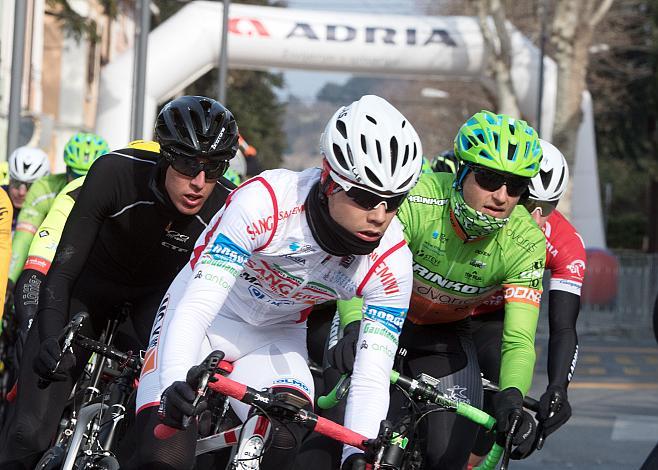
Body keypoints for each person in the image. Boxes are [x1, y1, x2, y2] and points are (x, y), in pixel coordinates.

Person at [127, 94, 423, 470]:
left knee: (283, 436)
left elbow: (371, 375)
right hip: (205, 318)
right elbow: (198, 305)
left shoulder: (392, 261)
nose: (380, 215)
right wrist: (174, 381)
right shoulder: (266, 203)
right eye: (365, 197)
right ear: (330, 180)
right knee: (165, 458)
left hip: (274, 337)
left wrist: (358, 455)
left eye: (394, 200)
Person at [0, 96, 238, 469]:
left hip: (153, 306)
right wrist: (48, 339)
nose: (199, 182)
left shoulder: (227, 205)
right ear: (164, 156)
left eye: (214, 169)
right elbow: (62, 270)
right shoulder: (115, 173)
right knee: (26, 435)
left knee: (152, 448)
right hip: (88, 294)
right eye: (187, 163)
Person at [325, 110, 546, 469]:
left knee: (450, 455)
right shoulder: (418, 200)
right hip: (373, 317)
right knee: (331, 440)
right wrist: (352, 326)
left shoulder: (525, 241)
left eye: (516, 186)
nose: (502, 196)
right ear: (460, 170)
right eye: (489, 178)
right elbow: (357, 271)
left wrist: (511, 396)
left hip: (444, 334)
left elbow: (519, 339)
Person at [470, 139, 586, 462]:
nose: (536, 217)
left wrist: (558, 387)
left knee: (497, 415)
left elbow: (564, 327)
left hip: (493, 322)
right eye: (528, 203)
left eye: (546, 208)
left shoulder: (566, 243)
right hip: (448, 310)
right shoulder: (484, 217)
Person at [8, 133, 109, 286]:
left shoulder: (111, 191)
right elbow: (23, 239)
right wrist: (9, 281)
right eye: (75, 175)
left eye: (89, 176)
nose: (81, 183)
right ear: (67, 169)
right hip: (48, 257)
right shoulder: (44, 187)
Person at [4, 146, 50, 231]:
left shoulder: (50, 208)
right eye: (16, 183)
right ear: (9, 180)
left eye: (30, 185)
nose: (21, 192)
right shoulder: (1, 197)